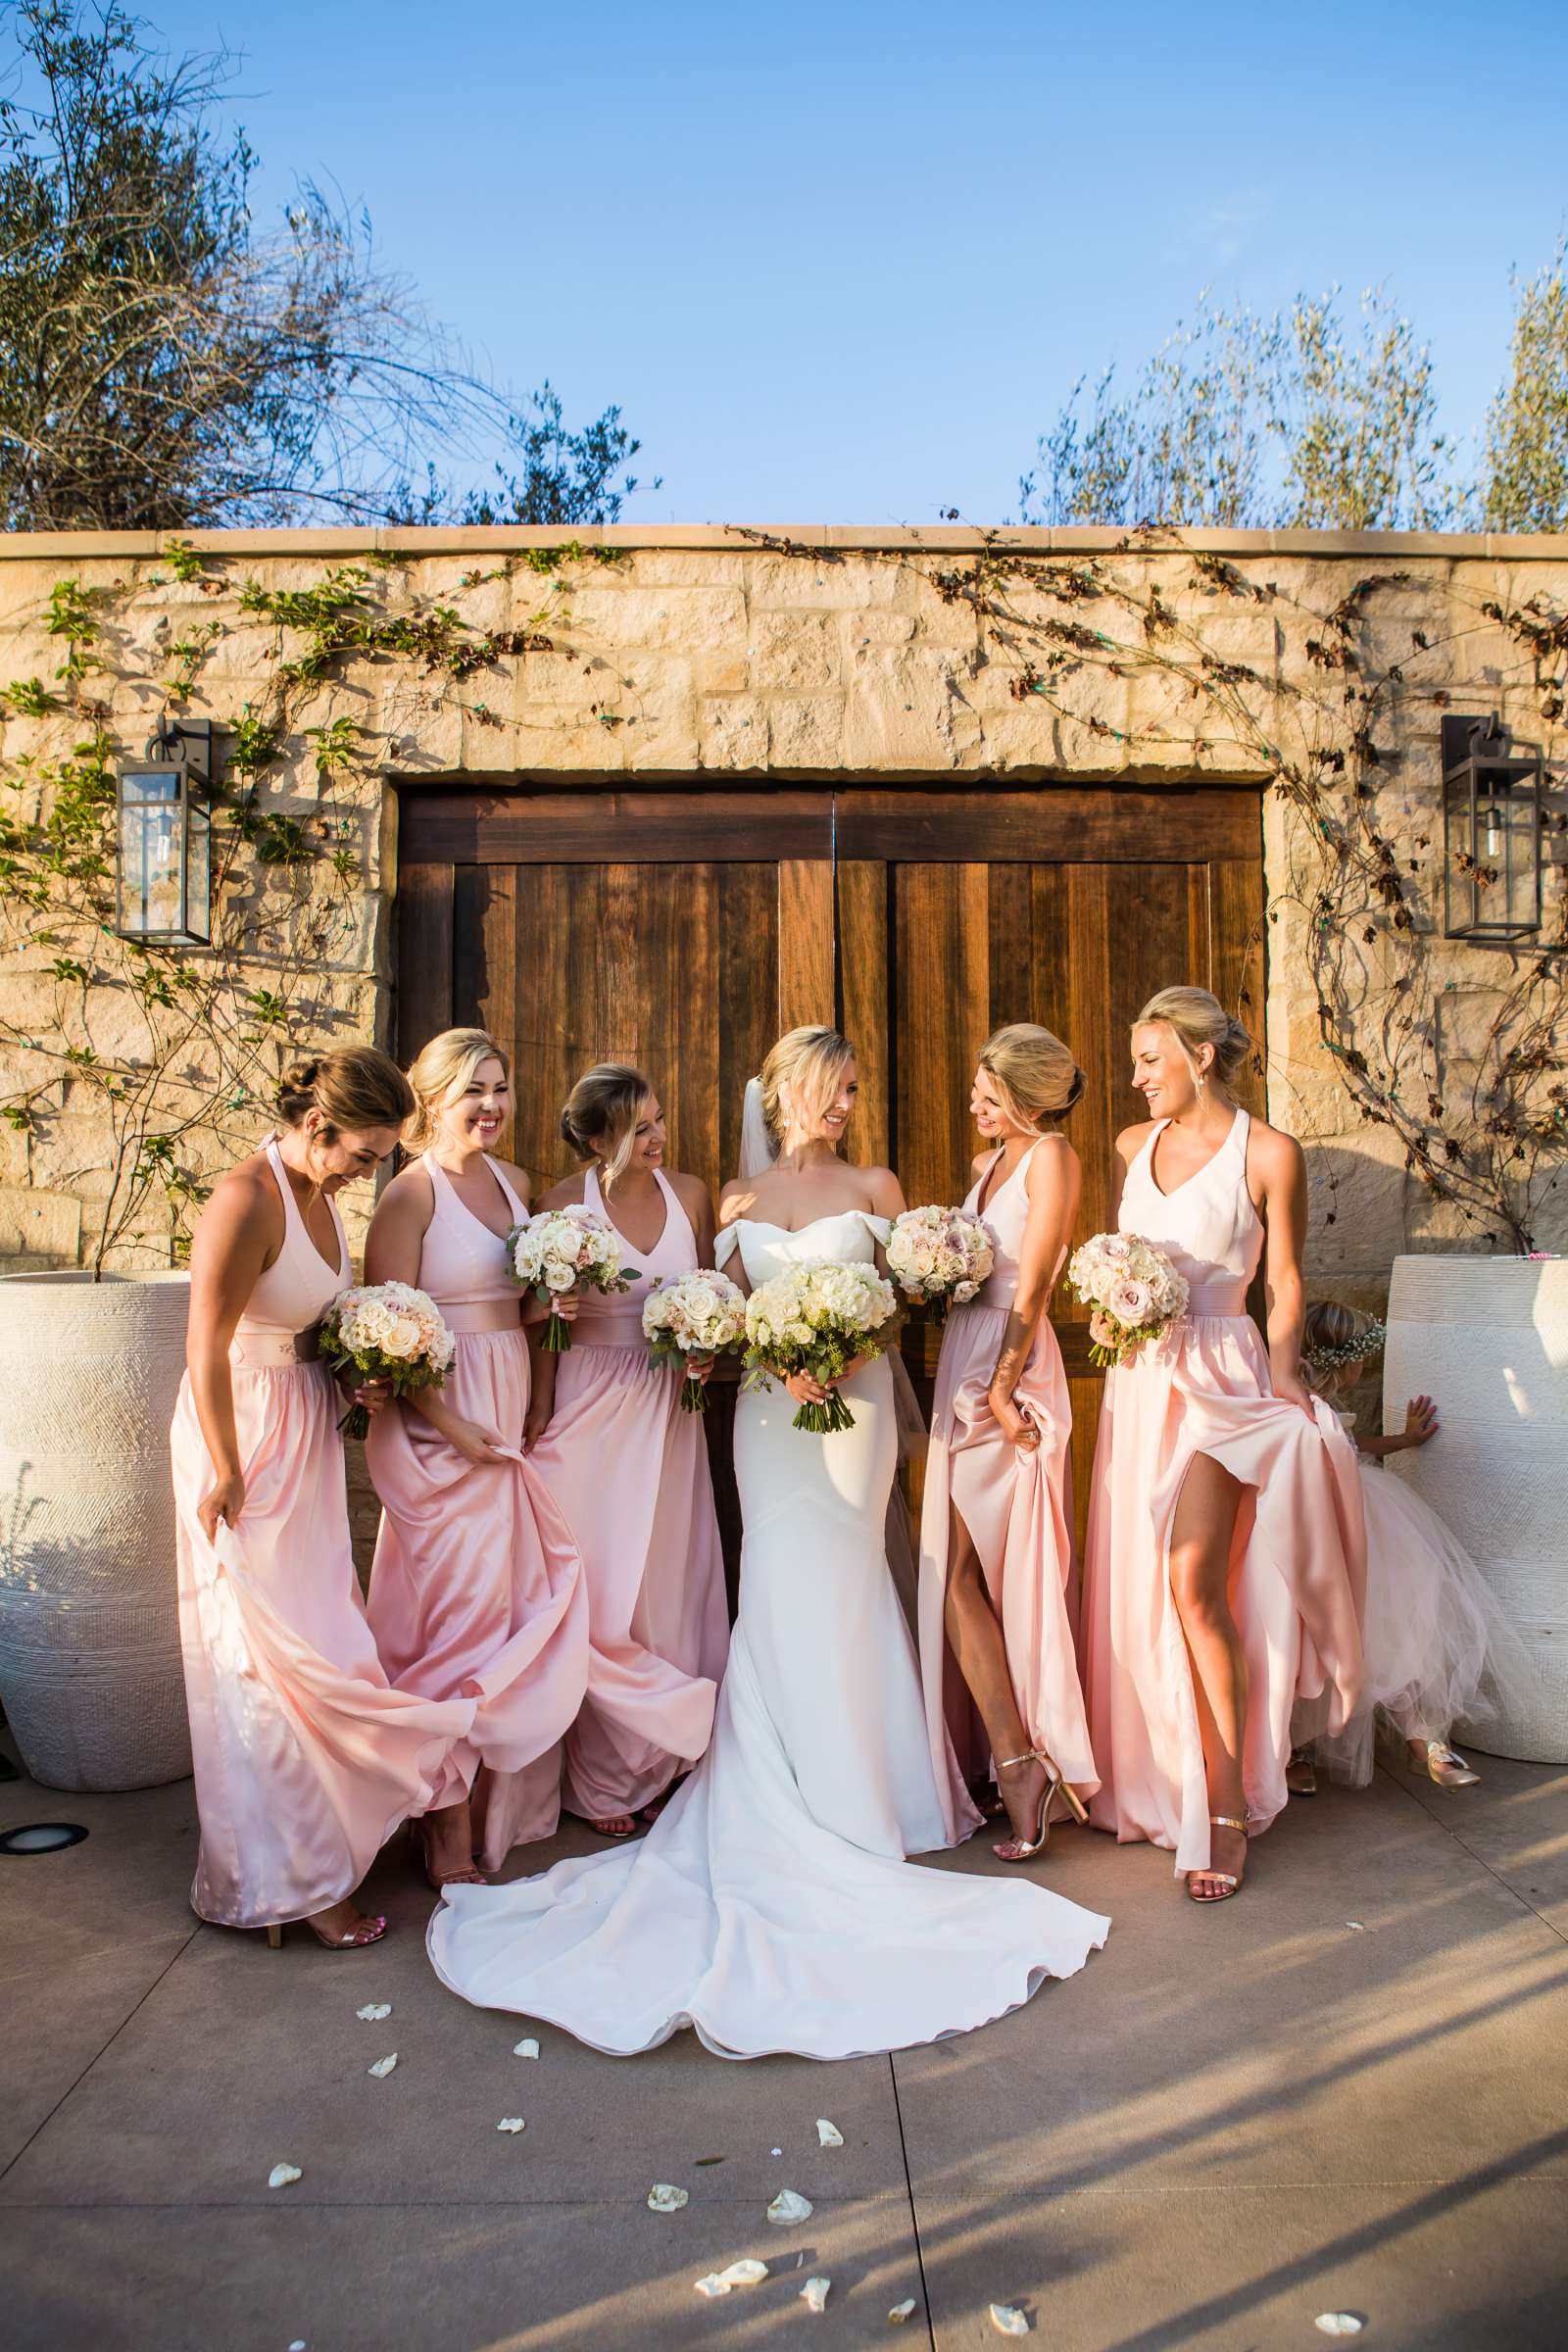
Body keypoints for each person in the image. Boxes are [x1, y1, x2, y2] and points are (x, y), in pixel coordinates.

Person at [427, 1025, 1109, 2059]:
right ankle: (772, 1787)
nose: (839, 1108)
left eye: (848, 1092)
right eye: (827, 1091)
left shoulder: (879, 1183)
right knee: (779, 1586)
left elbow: (898, 1311)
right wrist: (770, 1353)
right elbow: (718, 1311)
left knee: (845, 1583)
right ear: (784, 1090)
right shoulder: (733, 1201)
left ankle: (870, 1792)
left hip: (860, 1406)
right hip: (765, 1413)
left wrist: (845, 1347)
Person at [170, 1048, 475, 1950]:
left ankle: (327, 1840)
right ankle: (286, 1881)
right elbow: (204, 1346)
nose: (369, 1170)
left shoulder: (320, 1197)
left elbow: (303, 1324)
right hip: (246, 1436)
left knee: (326, 1641)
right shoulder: (246, 1200)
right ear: (316, 1127)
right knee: (265, 1659)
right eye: (364, 1153)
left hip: (301, 1424)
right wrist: (226, 1467)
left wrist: (357, 1382)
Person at [1081, 987, 1365, 1903]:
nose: (1136, 1080)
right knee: (1139, 1583)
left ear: (1200, 1057)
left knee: (1194, 1581)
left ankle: (1230, 1807)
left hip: (1222, 1384)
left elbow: (1283, 1281)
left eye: (1150, 1060)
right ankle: (1158, 1778)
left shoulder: (1269, 1152)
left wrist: (1285, 1376)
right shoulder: (1132, 1147)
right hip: (1138, 1379)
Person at [364, 1029, 590, 1885]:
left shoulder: (516, 1183)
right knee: (450, 1627)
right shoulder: (409, 1199)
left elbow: (522, 1312)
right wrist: (452, 1428)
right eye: (473, 1091)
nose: (492, 1105)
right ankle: (441, 1826)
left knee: (502, 1613)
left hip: (506, 1417)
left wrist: (543, 1347)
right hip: (439, 1427)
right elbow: (384, 1334)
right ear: (433, 1101)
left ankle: (497, 1805)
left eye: (500, 1087)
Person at [523, 1065, 727, 1838]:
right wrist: (539, 1405)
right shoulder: (558, 1207)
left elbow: (711, 1290)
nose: (659, 1138)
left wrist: (709, 1347)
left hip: (668, 1405)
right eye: (641, 1128)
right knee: (599, 1590)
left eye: (660, 1121)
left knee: (667, 1583)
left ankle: (662, 1763)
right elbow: (541, 1319)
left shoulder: (693, 1194)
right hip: (588, 1401)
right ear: (598, 1137)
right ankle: (600, 1776)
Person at [917, 1025, 1099, 1862]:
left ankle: (1034, 1759)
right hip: (966, 1350)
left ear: (1027, 1100)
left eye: (988, 1097)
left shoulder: (1052, 1158)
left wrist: (1001, 1382)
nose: (972, 1107)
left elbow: (1037, 1279)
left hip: (1010, 1371)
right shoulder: (987, 1166)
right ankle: (1013, 1759)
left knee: (1011, 1571)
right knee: (951, 1569)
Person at [1289, 1302, 1526, 1793]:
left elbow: (1353, 1444)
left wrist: (1403, 1439)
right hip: (1319, 1524)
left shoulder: (1332, 1409)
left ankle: (1422, 1737)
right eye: (1362, 1358)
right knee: (1311, 1634)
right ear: (1343, 1359)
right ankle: (1295, 1746)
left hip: (1366, 1520)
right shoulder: (1295, 1403)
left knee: (1390, 1621)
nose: (1366, 1368)